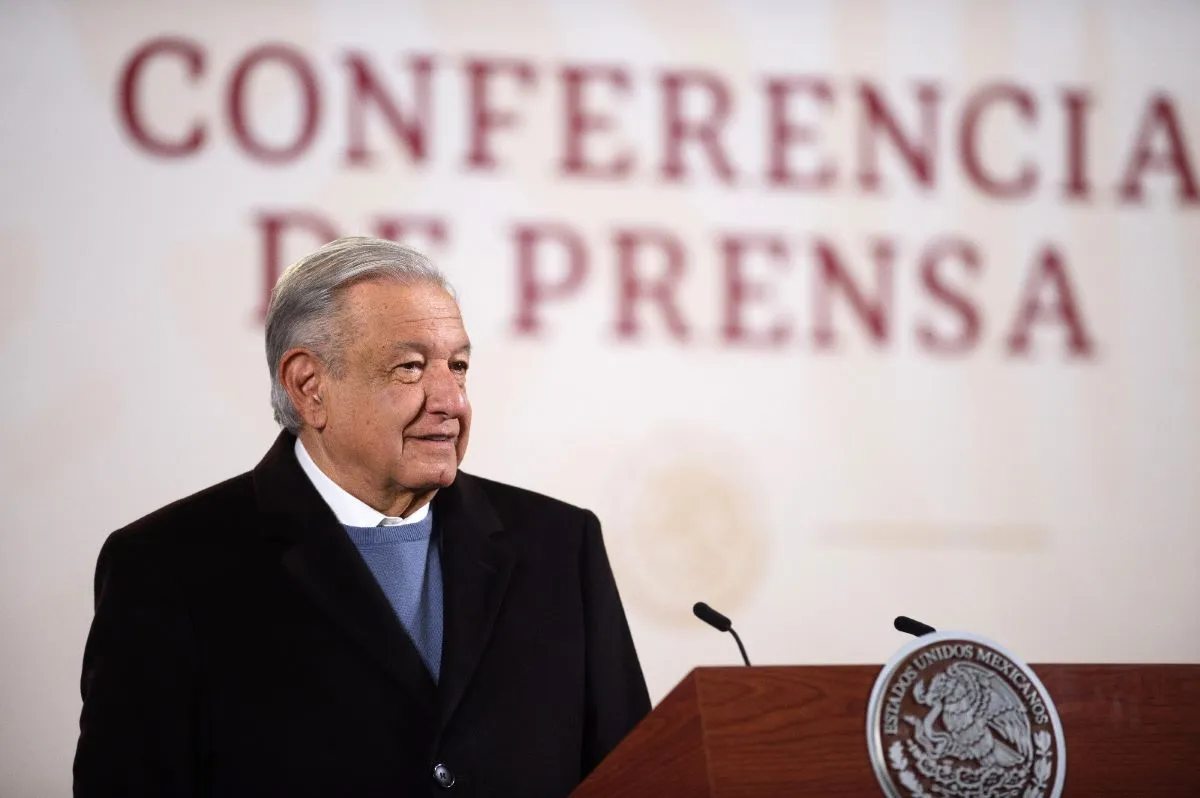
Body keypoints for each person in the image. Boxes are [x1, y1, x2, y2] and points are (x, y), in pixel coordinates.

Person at [73, 237, 651, 797]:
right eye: (410, 367)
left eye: (458, 366)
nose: (451, 400)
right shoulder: (167, 567)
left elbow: (637, 777)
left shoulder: (560, 545)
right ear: (309, 387)